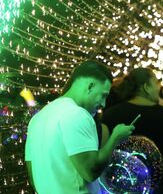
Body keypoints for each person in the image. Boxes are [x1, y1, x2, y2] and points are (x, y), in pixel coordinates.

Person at [25, 61, 133, 194]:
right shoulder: (77, 114)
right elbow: (91, 171)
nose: (103, 104)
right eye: (103, 95)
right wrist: (115, 138)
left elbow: (33, 173)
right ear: (90, 87)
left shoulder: (38, 118)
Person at [102, 67, 163, 194]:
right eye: (156, 82)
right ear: (146, 86)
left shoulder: (110, 114)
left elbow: (104, 152)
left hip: (124, 186)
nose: (159, 87)